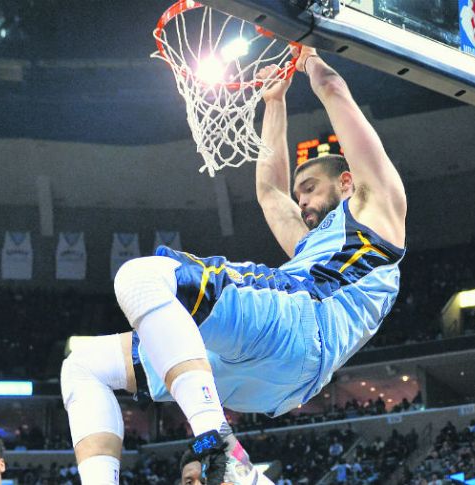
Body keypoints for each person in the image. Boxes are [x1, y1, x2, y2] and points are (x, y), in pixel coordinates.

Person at [60, 44, 407, 484]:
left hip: (298, 324)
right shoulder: (315, 245)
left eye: (310, 187)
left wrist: (309, 56)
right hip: (275, 382)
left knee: (141, 277)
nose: (300, 200)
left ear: (346, 181)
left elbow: (335, 88)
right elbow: (269, 193)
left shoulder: (378, 211)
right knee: (84, 364)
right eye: (299, 192)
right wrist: (274, 101)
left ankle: (215, 438)